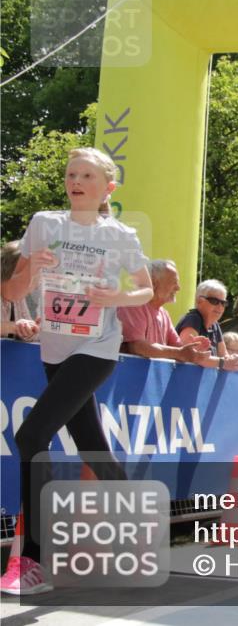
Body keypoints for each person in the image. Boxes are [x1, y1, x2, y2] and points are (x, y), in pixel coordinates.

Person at [1, 147, 154, 595]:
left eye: (87, 174)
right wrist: (34, 272)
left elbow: (144, 290)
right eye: (71, 174)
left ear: (108, 187)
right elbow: (13, 287)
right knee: (91, 443)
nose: (76, 180)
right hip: (55, 348)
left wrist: (114, 299)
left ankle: (32, 561)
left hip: (96, 347)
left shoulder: (121, 235)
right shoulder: (44, 224)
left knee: (31, 435)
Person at [117, 259, 229, 369]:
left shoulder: (164, 314)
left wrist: (193, 348)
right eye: (174, 282)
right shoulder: (133, 304)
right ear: (154, 282)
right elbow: (138, 347)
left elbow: (179, 348)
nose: (178, 288)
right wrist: (180, 352)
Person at [176, 280, 238, 370]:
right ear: (199, 301)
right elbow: (189, 355)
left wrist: (234, 360)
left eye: (223, 303)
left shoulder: (215, 325)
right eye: (214, 301)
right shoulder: (193, 319)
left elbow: (224, 356)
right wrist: (223, 363)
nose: (220, 307)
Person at [1, 241, 39, 342]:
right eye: (34, 277)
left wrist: (32, 329)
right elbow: (15, 326)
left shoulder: (17, 299)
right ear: (14, 274)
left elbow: (31, 337)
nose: (36, 286)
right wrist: (13, 327)